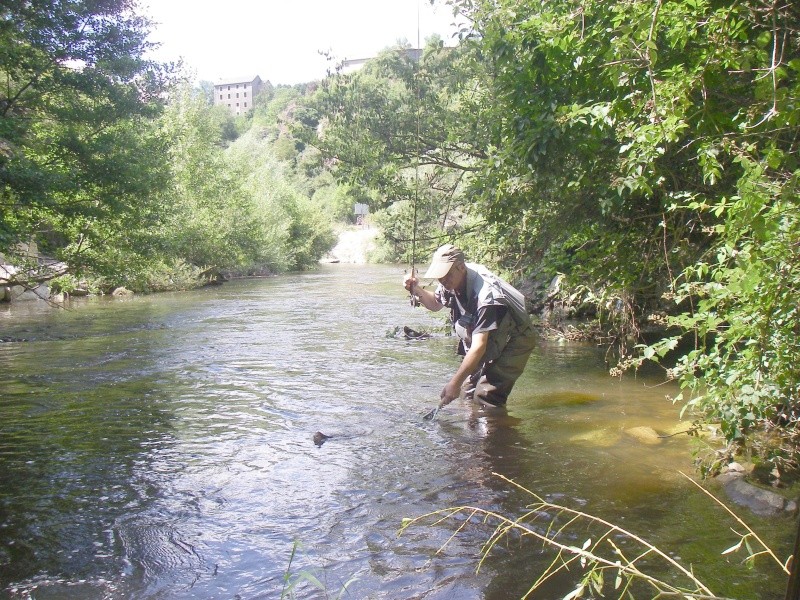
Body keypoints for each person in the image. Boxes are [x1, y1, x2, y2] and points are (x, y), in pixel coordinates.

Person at [404, 244, 536, 410]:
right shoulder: (452, 280)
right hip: (491, 337)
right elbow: (435, 304)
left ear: (460, 267)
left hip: (516, 339)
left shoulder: (485, 297)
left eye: (445, 276)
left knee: (486, 397)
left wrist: (454, 383)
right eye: (439, 277)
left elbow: (479, 347)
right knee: (466, 395)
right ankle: (471, 433)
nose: (442, 281)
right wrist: (416, 289)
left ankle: (496, 434)